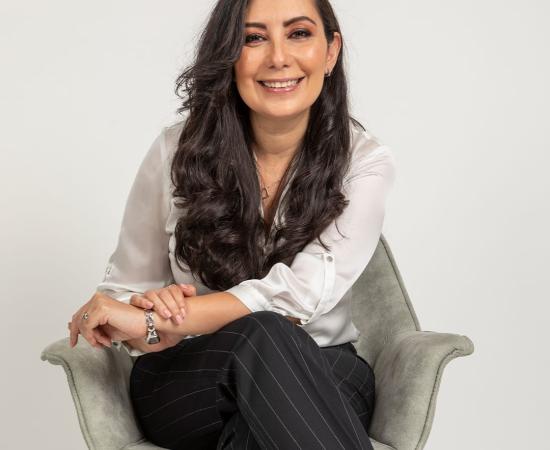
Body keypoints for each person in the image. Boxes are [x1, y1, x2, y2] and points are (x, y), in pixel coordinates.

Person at [67, 0, 396, 448]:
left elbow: (300, 294)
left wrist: (168, 319)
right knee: (265, 338)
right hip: (194, 375)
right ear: (228, 55)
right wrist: (152, 312)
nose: (278, 57)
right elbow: (125, 290)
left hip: (324, 366)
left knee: (263, 407)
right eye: (253, 38)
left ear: (330, 51)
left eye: (299, 34)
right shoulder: (174, 152)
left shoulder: (364, 161)